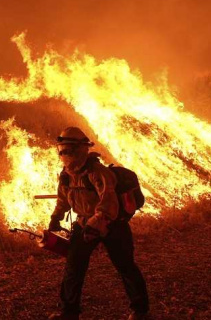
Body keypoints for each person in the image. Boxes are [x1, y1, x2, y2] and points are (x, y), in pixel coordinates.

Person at [47, 127, 149, 320]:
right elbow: (63, 199)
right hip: (84, 224)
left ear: (81, 149)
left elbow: (108, 203)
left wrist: (95, 226)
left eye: (69, 149)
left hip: (112, 225)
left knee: (125, 266)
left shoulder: (99, 173)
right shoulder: (67, 175)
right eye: (63, 149)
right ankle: (69, 313)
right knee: (74, 267)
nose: (65, 154)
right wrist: (56, 217)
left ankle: (140, 310)